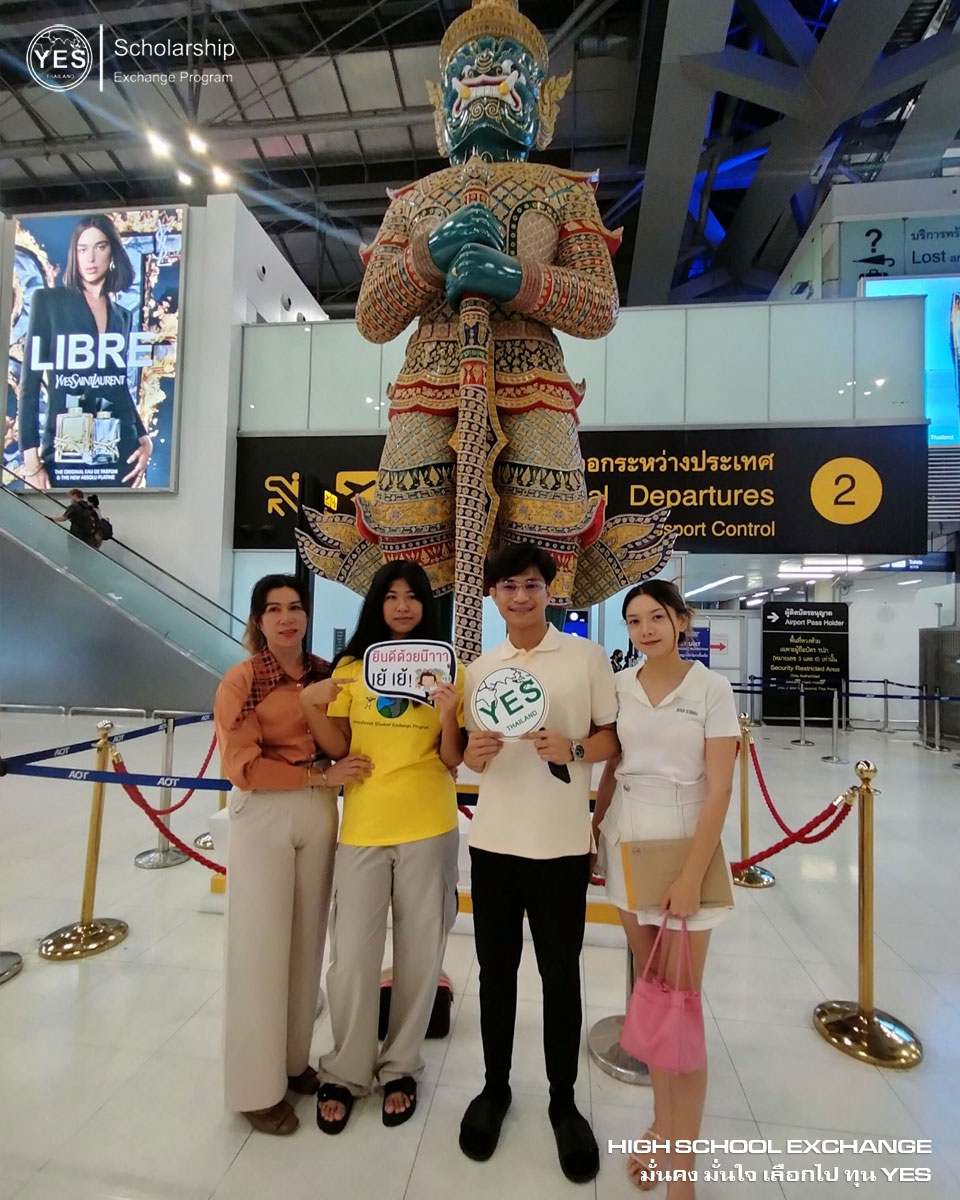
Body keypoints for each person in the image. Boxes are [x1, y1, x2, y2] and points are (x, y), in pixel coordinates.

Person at [460, 542, 619, 1184]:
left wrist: (574, 747)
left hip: (560, 847)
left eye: (531, 585)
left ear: (548, 591)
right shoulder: (480, 668)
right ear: (492, 595)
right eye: (508, 586)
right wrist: (471, 753)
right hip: (494, 843)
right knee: (494, 975)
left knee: (560, 977)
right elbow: (467, 754)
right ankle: (494, 1088)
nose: (520, 597)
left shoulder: (586, 657)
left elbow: (611, 737)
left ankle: (563, 1102)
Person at [300, 560, 464, 1133]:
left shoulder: (448, 667)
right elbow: (339, 744)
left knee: (421, 953)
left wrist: (449, 715)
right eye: (391, 596)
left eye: (412, 596)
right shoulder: (352, 669)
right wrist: (311, 706)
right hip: (364, 827)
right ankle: (345, 1070)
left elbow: (452, 758)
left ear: (426, 604)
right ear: (377, 604)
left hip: (430, 823)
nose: (402, 605)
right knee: (351, 957)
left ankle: (401, 1065)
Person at [592, 580, 738, 1197]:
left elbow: (721, 788)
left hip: (685, 848)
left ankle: (683, 1170)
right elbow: (613, 764)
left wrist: (689, 876)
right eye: (634, 621)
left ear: (681, 620)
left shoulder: (711, 689)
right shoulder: (621, 685)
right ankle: (659, 1125)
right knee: (653, 996)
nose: (646, 629)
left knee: (682, 1009)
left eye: (657, 617)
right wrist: (594, 828)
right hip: (629, 845)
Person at [214, 574, 371, 1137]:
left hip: (319, 810)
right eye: (274, 609)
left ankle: (291, 1060)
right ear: (258, 620)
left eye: (296, 607)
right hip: (265, 813)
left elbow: (343, 740)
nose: (287, 618)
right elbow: (243, 766)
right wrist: (316, 776)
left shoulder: (327, 674)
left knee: (307, 941)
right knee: (259, 949)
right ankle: (254, 1090)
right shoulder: (243, 680)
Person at [18, 213, 153, 489]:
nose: (90, 258)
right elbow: (30, 383)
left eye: (100, 247)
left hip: (118, 448)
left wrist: (144, 437)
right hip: (64, 448)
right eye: (82, 249)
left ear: (112, 252)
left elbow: (117, 384)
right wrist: (31, 461)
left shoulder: (122, 316)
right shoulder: (49, 301)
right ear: (74, 254)